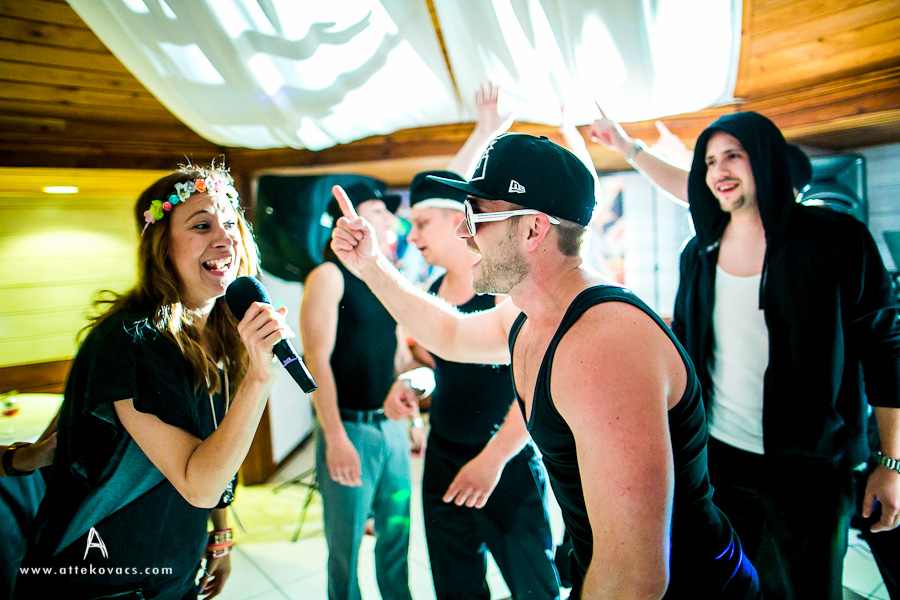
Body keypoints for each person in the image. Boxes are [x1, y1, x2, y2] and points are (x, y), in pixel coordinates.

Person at [330, 132, 762, 599]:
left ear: (533, 230)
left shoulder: (603, 344)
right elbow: (450, 334)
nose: (463, 232)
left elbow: (635, 576)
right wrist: (370, 265)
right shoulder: (528, 313)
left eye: (477, 216)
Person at [596, 110, 900, 599]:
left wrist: (892, 462)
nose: (719, 170)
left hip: (813, 469)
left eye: (733, 155)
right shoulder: (699, 254)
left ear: (765, 159)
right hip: (721, 465)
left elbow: (885, 350)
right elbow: (686, 355)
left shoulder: (838, 240)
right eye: (709, 161)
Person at [14, 162, 290, 599]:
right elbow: (198, 483)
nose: (225, 238)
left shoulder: (224, 331)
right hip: (101, 574)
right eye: (201, 225)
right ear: (161, 245)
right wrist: (260, 378)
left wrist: (220, 534)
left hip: (175, 562)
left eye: (230, 223)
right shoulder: (129, 341)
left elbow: (217, 445)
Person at [386, 170, 560, 599]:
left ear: (456, 222)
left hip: (506, 460)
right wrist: (414, 381)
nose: (412, 236)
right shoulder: (430, 291)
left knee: (533, 587)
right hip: (444, 459)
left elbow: (535, 386)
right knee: (456, 587)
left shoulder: (504, 291)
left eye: (421, 223)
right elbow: (438, 365)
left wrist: (492, 461)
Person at [300, 182, 424, 600]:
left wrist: (413, 419)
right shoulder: (328, 275)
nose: (390, 218)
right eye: (378, 209)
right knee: (346, 547)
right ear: (347, 221)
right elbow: (315, 361)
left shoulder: (385, 277)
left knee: (397, 535)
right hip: (349, 428)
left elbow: (398, 356)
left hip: (390, 426)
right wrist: (335, 438)